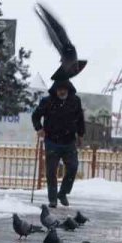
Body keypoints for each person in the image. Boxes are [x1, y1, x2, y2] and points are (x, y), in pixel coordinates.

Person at [31, 79, 86, 207]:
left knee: (72, 167)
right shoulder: (47, 101)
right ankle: (52, 199)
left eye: (64, 89)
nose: (61, 92)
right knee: (51, 171)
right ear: (55, 90)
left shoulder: (75, 101)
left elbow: (80, 119)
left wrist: (81, 134)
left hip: (69, 141)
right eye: (59, 89)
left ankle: (63, 193)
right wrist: (39, 128)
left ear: (68, 89)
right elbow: (35, 116)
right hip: (52, 141)